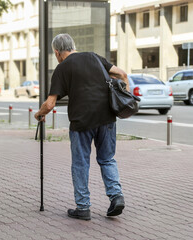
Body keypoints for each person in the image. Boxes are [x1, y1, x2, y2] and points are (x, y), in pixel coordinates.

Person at [35, 34, 129, 220]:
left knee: (81, 164)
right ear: (73, 45)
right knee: (107, 159)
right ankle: (116, 196)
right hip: (107, 117)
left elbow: (50, 104)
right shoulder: (94, 57)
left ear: (57, 52)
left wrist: (39, 114)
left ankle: (83, 208)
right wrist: (123, 95)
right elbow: (122, 74)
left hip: (82, 121)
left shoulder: (62, 68)